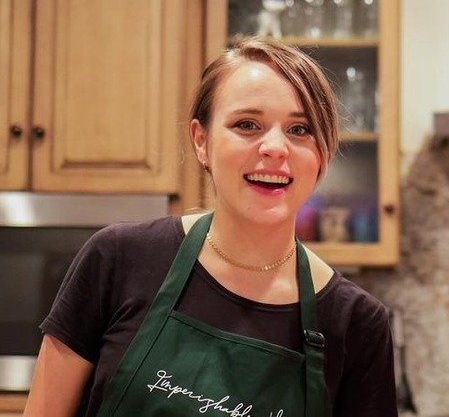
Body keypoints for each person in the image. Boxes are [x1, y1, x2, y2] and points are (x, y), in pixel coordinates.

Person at [23, 38, 396, 417]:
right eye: (247, 124)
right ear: (201, 141)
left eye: (300, 130)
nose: (275, 147)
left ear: (323, 155)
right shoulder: (118, 259)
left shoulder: (357, 323)